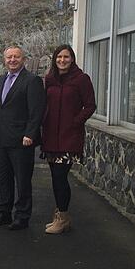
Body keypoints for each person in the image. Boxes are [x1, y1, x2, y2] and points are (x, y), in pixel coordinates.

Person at [0, 46, 46, 230]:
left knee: (22, 181)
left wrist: (30, 133)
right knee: (3, 179)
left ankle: (22, 216)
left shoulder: (32, 80)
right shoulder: (1, 79)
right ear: (4, 60)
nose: (12, 60)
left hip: (22, 140)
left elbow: (36, 111)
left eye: (16, 57)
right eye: (9, 57)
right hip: (2, 138)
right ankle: (3, 213)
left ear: (23, 59)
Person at [41, 44, 96, 234]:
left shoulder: (81, 79)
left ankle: (63, 217)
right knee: (55, 178)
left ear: (72, 59)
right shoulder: (50, 79)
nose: (62, 60)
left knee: (60, 176)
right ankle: (59, 214)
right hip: (50, 136)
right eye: (59, 57)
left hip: (69, 137)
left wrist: (75, 122)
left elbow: (90, 105)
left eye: (66, 57)